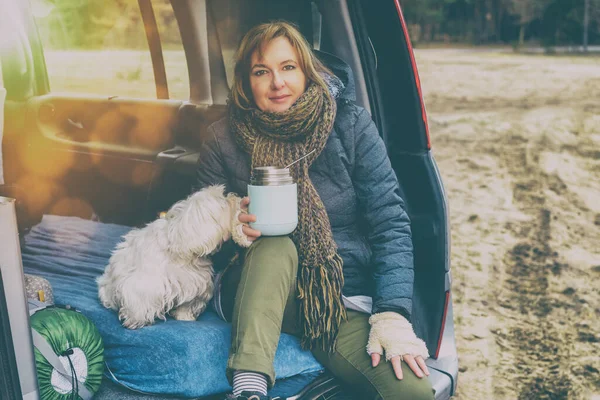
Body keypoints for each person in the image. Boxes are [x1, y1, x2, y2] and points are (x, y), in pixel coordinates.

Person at [195, 21, 434, 400]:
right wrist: (229, 223)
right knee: (276, 244)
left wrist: (391, 314)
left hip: (334, 296)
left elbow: (390, 222)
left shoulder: (350, 125)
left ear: (307, 71)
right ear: (245, 82)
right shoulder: (222, 140)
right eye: (262, 71)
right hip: (252, 285)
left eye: (288, 67)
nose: (277, 82)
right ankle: (249, 387)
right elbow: (198, 243)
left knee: (413, 392)